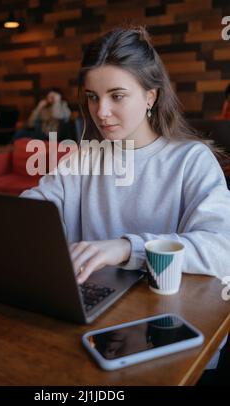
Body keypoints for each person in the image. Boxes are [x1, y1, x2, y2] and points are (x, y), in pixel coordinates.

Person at [21, 27, 230, 375]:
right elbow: (33, 209)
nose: (101, 112)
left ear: (150, 96)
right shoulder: (83, 159)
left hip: (168, 329)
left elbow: (222, 248)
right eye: (92, 96)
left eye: (117, 96)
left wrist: (125, 248)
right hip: (89, 321)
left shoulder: (190, 159)